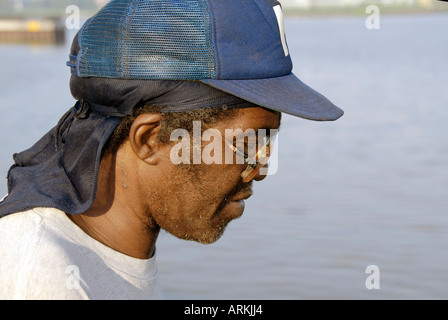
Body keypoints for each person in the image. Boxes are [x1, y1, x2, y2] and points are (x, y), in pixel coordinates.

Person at [0, 0, 343, 300]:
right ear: (150, 140)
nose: (262, 168)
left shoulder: (113, 257)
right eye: (246, 143)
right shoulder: (41, 273)